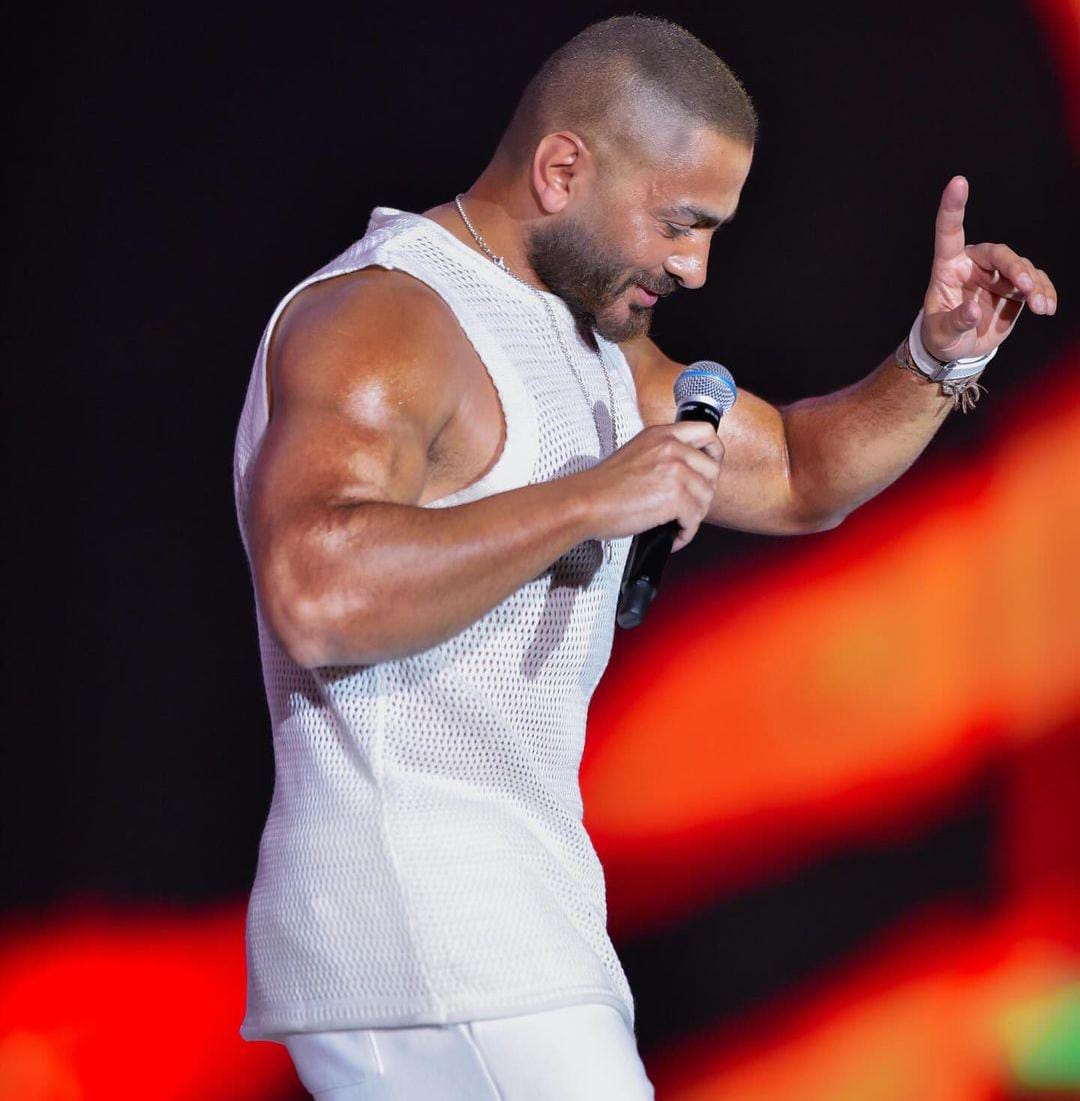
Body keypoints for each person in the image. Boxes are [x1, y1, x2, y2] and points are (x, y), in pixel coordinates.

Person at [231, 14, 1057, 1100]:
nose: (694, 267)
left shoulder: (591, 345)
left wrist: (935, 359)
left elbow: (799, 472)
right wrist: (591, 497)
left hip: (515, 933)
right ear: (562, 168)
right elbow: (317, 588)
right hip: (423, 932)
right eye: (680, 224)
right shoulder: (383, 317)